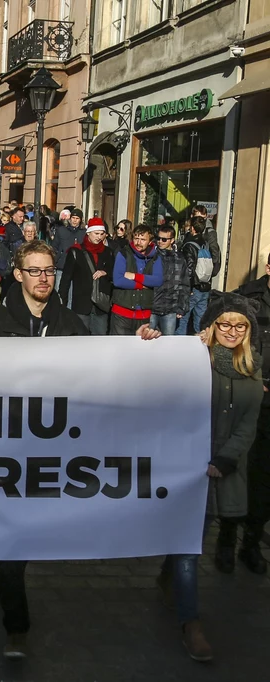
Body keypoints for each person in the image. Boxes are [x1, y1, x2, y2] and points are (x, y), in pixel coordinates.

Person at [0, 240, 160, 659]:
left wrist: (144, 347)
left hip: (58, 456)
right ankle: (16, 627)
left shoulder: (72, 325)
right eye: (34, 270)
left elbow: (104, 369)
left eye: (48, 270)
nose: (43, 278)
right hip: (8, 453)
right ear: (17, 274)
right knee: (11, 544)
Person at [157, 293, 262, 662]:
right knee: (191, 543)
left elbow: (249, 423)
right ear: (212, 325)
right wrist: (159, 344)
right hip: (189, 466)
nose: (232, 331)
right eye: (225, 324)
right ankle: (191, 623)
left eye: (240, 325)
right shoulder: (194, 358)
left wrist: (227, 457)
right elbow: (161, 384)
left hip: (223, 467)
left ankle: (167, 575)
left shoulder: (253, 367)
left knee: (192, 536)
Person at [232, 253, 270, 575]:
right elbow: (228, 339)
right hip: (248, 394)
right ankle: (226, 542)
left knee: (264, 479)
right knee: (238, 470)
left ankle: (252, 543)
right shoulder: (248, 296)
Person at [58, 217, 114, 335]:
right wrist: (62, 301)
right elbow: (66, 279)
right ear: (88, 233)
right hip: (81, 304)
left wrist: (106, 273)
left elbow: (114, 274)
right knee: (80, 338)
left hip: (101, 305)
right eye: (96, 233)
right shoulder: (76, 251)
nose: (99, 237)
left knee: (100, 339)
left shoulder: (108, 252)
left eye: (102, 234)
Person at [110, 225, 164, 335]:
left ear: (150, 241)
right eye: (136, 238)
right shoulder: (123, 254)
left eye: (143, 239)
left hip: (144, 314)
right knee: (119, 349)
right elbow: (118, 280)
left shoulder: (156, 257)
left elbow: (157, 280)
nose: (138, 242)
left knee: (141, 351)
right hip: (122, 312)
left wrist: (134, 276)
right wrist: (142, 285)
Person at [178, 218, 219, 335]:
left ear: (192, 228)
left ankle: (177, 349)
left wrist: (188, 288)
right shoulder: (205, 243)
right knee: (200, 321)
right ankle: (201, 347)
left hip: (193, 287)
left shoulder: (189, 245)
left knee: (183, 319)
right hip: (205, 285)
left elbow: (189, 269)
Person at [150, 225, 190, 336]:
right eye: (158, 238)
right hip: (151, 307)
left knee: (168, 344)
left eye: (164, 239)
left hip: (170, 308)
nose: (160, 242)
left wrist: (182, 306)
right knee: (145, 341)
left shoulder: (180, 259)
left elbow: (185, 284)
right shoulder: (151, 257)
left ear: (172, 240)